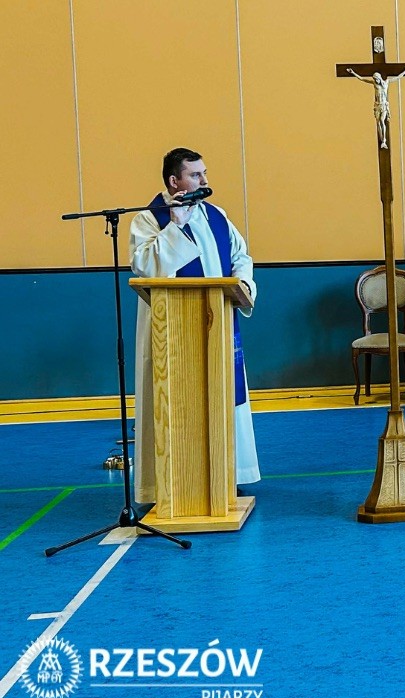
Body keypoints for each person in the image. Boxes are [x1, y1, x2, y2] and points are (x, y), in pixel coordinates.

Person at [129, 148, 260, 503]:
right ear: (175, 181)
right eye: (196, 175)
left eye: (204, 173)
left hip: (218, 322)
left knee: (223, 394)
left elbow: (241, 255)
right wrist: (176, 225)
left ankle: (226, 475)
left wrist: (241, 285)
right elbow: (145, 266)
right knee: (174, 402)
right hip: (171, 332)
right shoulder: (148, 220)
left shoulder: (216, 215)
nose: (205, 180)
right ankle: (173, 481)